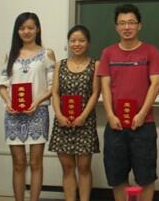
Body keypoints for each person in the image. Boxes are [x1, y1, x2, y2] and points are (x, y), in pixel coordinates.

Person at [97, 4, 159, 201]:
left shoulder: (151, 51)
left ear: (139, 25)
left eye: (131, 22)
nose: (127, 27)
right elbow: (105, 86)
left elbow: (156, 84)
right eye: (122, 23)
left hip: (144, 125)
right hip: (115, 125)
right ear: (116, 27)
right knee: (117, 177)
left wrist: (142, 114)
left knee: (146, 177)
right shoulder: (108, 53)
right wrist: (110, 115)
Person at [0, 12, 56, 201]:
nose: (26, 31)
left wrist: (36, 102)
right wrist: (8, 102)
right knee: (18, 163)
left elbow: (53, 87)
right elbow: (2, 85)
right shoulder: (11, 54)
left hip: (38, 113)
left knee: (36, 163)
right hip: (13, 114)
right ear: (17, 31)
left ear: (37, 29)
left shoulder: (47, 54)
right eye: (22, 28)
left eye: (30, 27)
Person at [50, 25, 100, 201]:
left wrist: (83, 116)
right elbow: (55, 92)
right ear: (68, 43)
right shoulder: (60, 65)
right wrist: (59, 115)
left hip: (85, 122)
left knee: (84, 168)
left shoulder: (96, 65)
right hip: (62, 122)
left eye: (81, 40)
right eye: (73, 41)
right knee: (67, 168)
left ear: (88, 43)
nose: (77, 44)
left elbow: (95, 93)